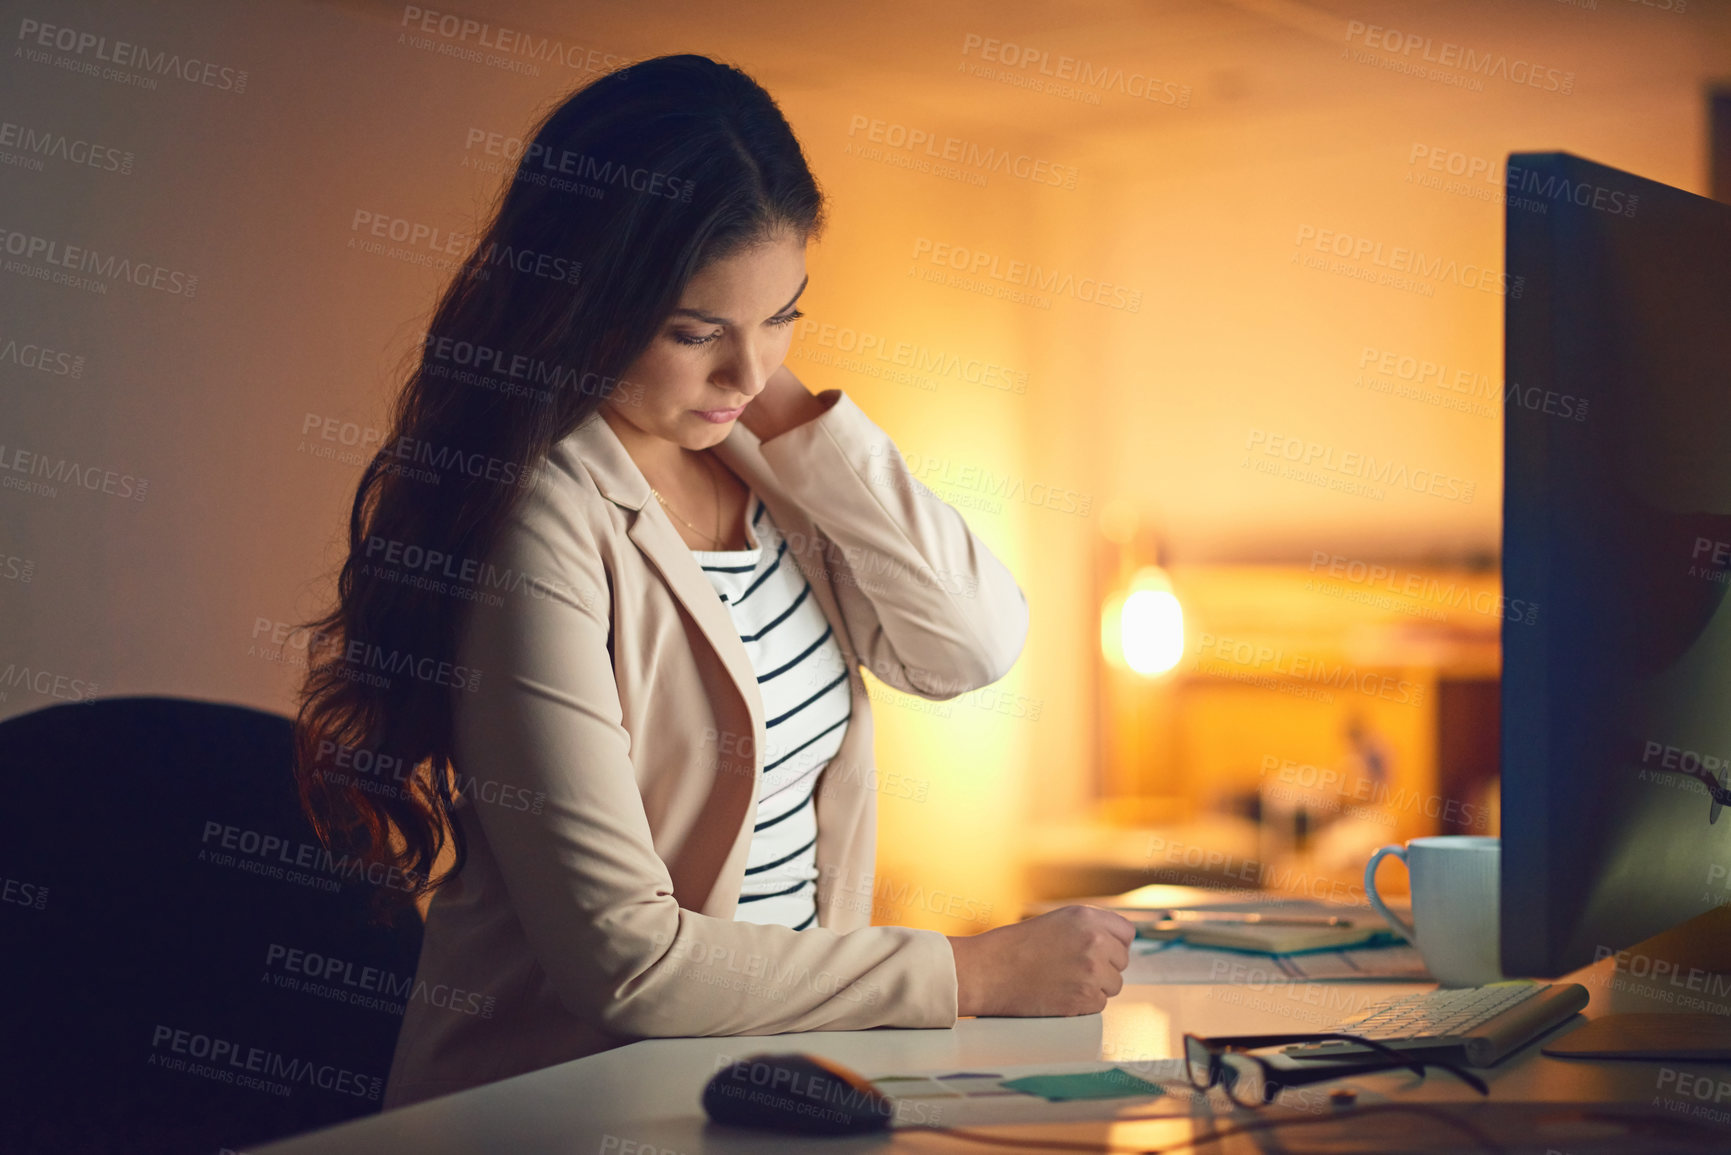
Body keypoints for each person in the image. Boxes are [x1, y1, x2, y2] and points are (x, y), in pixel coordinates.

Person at [291, 52, 1133, 1110]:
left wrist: (781, 410)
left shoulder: (760, 453)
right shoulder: (540, 522)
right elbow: (627, 959)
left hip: (757, 1094)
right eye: (694, 332)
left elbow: (969, 643)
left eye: (783, 317)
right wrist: (976, 973)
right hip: (558, 1112)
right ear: (580, 304)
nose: (745, 372)